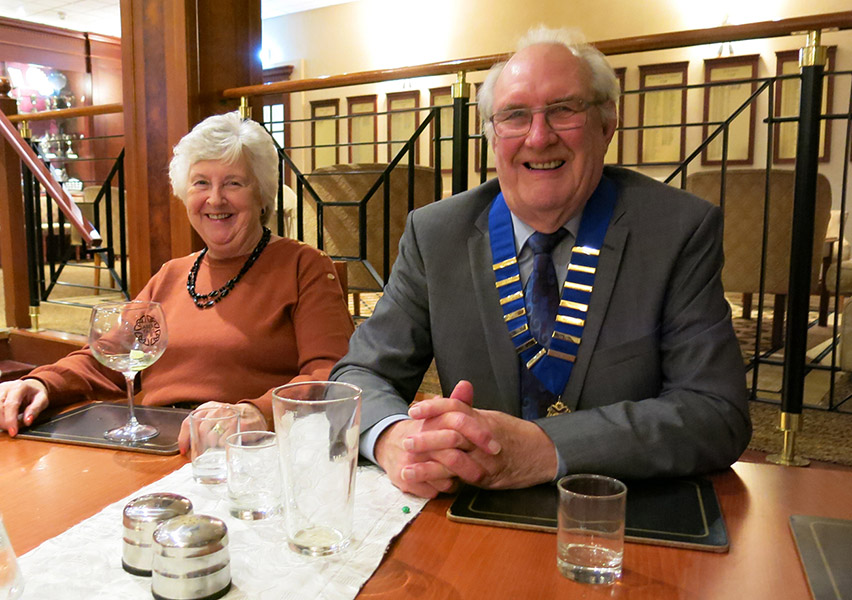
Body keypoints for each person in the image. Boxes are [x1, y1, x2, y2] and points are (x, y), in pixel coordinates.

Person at [330, 26, 751, 499]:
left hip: (623, 512)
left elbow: (717, 413)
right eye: (514, 116)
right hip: (472, 511)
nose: (538, 136)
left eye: (563, 110)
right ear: (493, 136)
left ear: (606, 125)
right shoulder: (436, 235)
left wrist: (543, 448)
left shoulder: (676, 230)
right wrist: (393, 438)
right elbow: (357, 375)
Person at [0, 111, 354, 452]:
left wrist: (257, 412)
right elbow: (108, 357)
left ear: (261, 193)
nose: (215, 199)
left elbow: (330, 373)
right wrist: (42, 383)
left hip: (242, 449)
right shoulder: (172, 274)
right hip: (158, 444)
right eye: (201, 183)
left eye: (233, 182)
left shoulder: (302, 266)